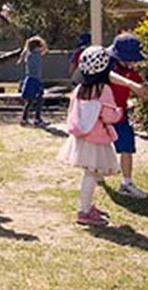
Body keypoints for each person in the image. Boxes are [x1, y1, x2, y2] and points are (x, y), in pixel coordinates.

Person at [57, 45, 122, 226]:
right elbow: (109, 116)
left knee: (89, 174)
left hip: (81, 138)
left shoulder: (79, 89)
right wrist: (120, 112)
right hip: (97, 139)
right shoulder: (104, 91)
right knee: (91, 175)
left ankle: (87, 206)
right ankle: (84, 211)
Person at [107, 32, 148, 199]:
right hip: (102, 114)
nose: (132, 62)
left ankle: (126, 183)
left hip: (120, 114)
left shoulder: (132, 70)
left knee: (126, 147)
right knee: (99, 148)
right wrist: (131, 84)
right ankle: (95, 175)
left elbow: (144, 86)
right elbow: (108, 75)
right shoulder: (109, 66)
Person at [17, 35, 49, 127]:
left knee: (35, 100)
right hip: (33, 80)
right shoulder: (33, 53)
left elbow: (44, 50)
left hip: (33, 79)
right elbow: (45, 49)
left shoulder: (30, 53)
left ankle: (28, 119)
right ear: (36, 47)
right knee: (34, 100)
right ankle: (34, 119)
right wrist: (41, 40)